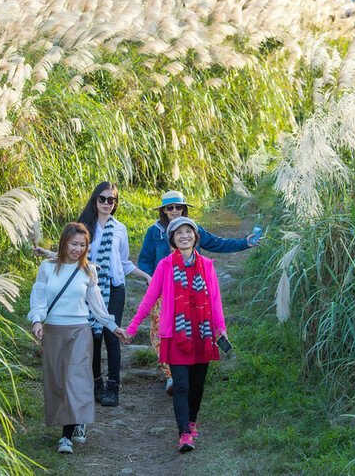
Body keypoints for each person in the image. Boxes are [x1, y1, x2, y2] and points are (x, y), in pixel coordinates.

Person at [124, 217, 229, 452]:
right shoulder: (165, 266)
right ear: (172, 239)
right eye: (179, 232)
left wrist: (220, 329)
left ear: (195, 237)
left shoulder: (207, 266)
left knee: (197, 385)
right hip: (176, 335)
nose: (184, 236)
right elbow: (149, 300)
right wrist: (132, 327)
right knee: (181, 385)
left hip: (202, 334)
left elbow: (215, 301)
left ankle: (192, 421)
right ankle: (184, 433)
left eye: (188, 231)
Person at [138, 190, 256, 396]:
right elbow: (145, 260)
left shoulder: (193, 230)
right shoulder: (154, 232)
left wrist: (244, 242)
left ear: (184, 208)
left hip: (192, 293)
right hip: (163, 294)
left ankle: (188, 371)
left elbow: (217, 243)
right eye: (169, 207)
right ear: (163, 211)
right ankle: (171, 375)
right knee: (160, 333)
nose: (175, 211)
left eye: (178, 207)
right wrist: (150, 279)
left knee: (191, 331)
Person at [28, 222, 126, 454]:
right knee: (58, 381)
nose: (78, 249)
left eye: (83, 245)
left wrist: (113, 326)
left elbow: (97, 305)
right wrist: (37, 321)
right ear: (63, 243)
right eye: (74, 244)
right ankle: (77, 420)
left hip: (80, 331)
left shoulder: (88, 270)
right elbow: (39, 298)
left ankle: (66, 437)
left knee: (75, 378)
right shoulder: (47, 267)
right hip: (53, 330)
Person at [77, 181, 151, 407]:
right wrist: (50, 255)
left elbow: (124, 261)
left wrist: (146, 276)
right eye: (103, 199)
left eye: (112, 200)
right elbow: (73, 254)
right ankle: (96, 383)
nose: (107, 203)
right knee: (93, 336)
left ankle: (113, 387)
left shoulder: (119, 228)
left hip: (115, 288)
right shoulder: (82, 226)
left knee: (112, 336)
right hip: (88, 287)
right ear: (95, 200)